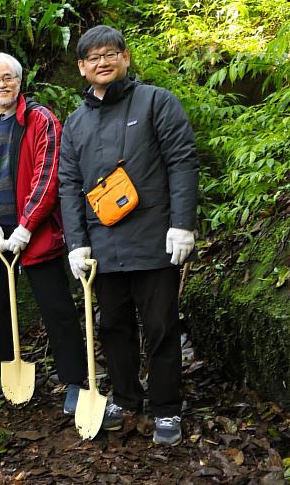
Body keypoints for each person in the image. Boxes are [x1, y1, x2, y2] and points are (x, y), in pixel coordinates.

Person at [59, 25, 199, 446]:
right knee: (112, 326)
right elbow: (69, 183)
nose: (103, 63)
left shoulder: (157, 102)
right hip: (102, 246)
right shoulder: (76, 121)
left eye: (110, 54)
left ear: (126, 57)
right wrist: (76, 241)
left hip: (155, 239)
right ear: (82, 68)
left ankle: (166, 408)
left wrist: (182, 224)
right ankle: (125, 397)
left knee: (160, 325)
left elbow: (182, 161)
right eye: (93, 58)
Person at [0, 52, 88, 413]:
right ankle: (5, 369)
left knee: (56, 306)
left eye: (8, 77)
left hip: (37, 234)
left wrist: (27, 225)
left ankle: (74, 380)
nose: (2, 84)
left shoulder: (41, 120)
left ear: (20, 81)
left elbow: (47, 175)